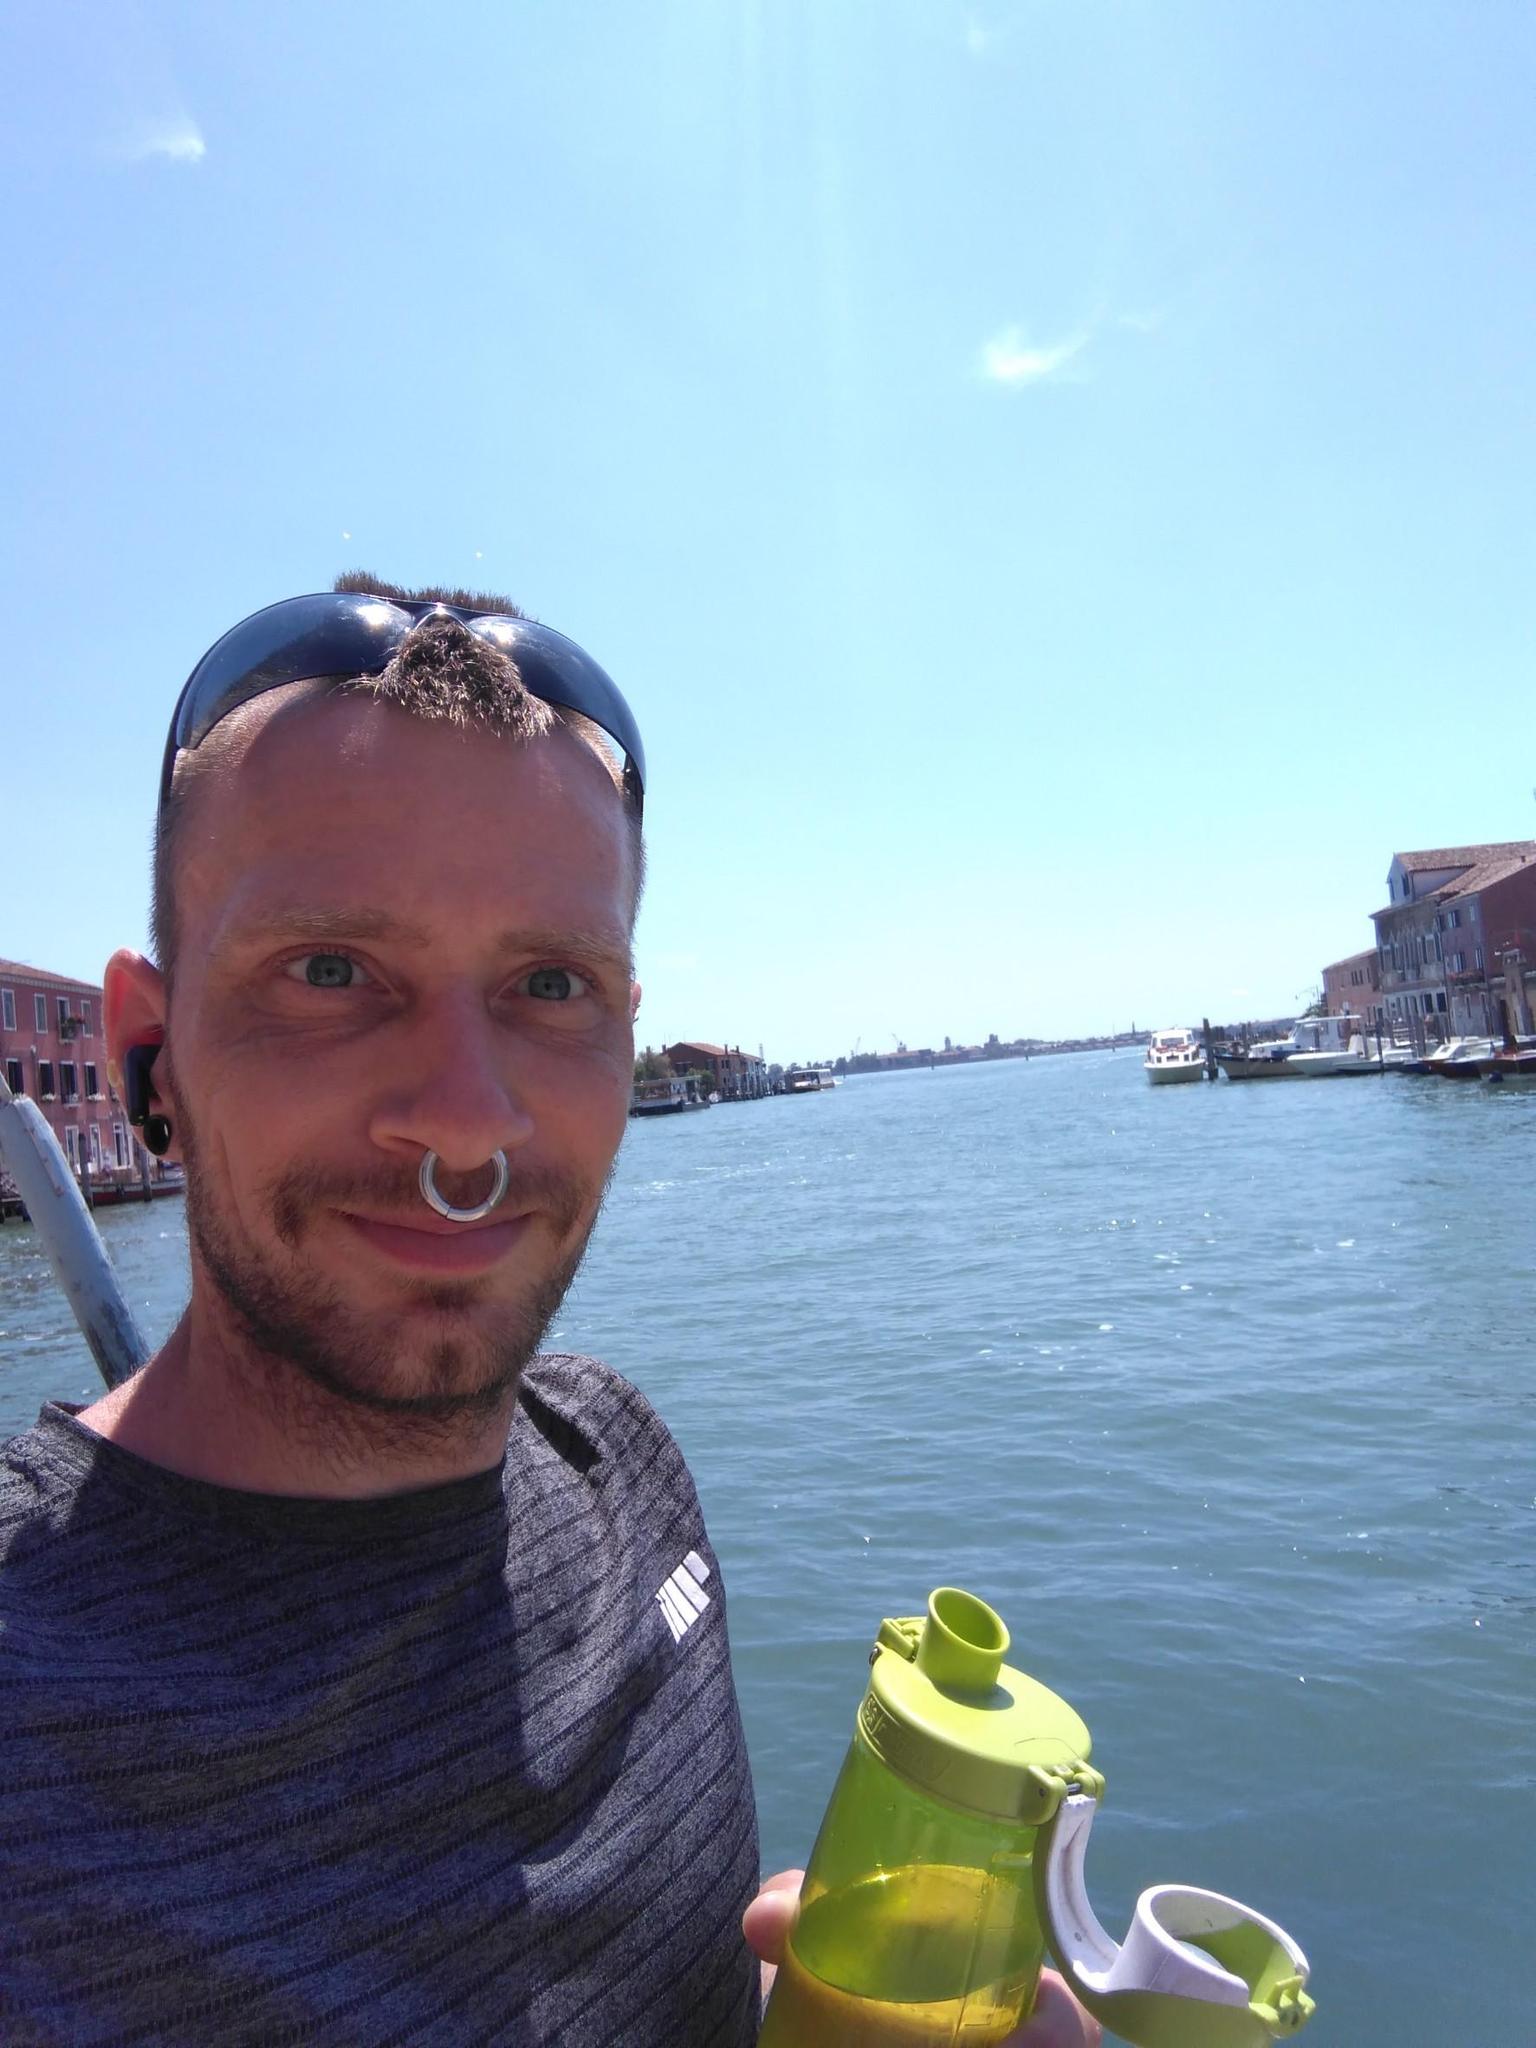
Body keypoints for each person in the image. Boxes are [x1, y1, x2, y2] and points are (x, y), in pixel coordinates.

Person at [0, 578, 1097, 2047]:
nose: (467, 1124)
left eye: (549, 983)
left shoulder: (620, 1463)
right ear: (149, 1050)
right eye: (328, 970)